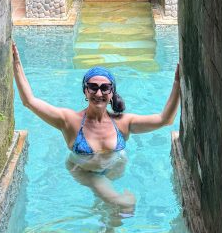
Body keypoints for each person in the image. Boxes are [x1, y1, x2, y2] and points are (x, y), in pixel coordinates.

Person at [11, 41, 180, 211]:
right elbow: (29, 101)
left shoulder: (123, 122)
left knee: (110, 209)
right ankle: (110, 225)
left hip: (115, 168)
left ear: (111, 92)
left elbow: (164, 119)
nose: (99, 93)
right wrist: (17, 64)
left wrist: (178, 82)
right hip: (85, 172)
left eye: (105, 88)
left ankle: (108, 230)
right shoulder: (69, 121)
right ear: (85, 91)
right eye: (93, 87)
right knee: (125, 204)